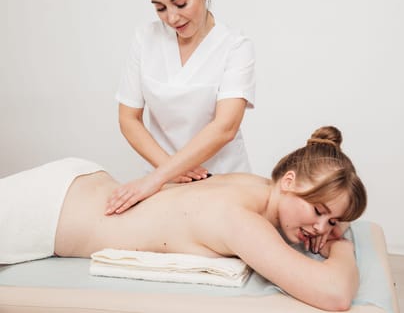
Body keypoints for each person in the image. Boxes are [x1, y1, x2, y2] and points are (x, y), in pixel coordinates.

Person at [0, 126, 366, 312]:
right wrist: (340, 246)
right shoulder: (242, 220)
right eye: (318, 211)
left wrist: (330, 224)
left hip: (77, 186)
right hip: (49, 212)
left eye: (333, 223)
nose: (321, 229)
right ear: (289, 182)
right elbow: (334, 295)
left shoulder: (251, 186)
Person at [110, 0, 256, 215]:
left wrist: (159, 177)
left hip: (222, 181)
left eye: (181, 3)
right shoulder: (145, 38)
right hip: (163, 184)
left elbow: (225, 127)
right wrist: (169, 170)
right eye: (160, 8)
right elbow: (128, 119)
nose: (172, 18)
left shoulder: (235, 47)